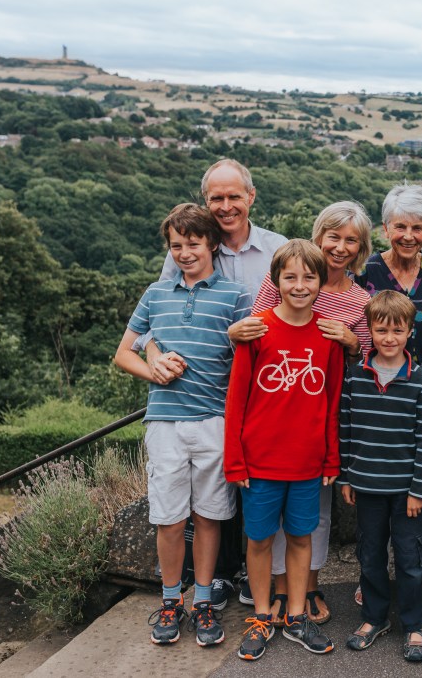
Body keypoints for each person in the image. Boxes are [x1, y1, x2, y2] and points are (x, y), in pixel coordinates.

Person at [144, 159, 287, 609]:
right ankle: (220, 577)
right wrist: (152, 357)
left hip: (265, 389)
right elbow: (157, 318)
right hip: (207, 395)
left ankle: (255, 571)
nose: (225, 206)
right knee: (217, 489)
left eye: (233, 197)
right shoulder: (188, 248)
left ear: (251, 196)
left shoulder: (277, 248)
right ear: (206, 200)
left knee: (253, 485)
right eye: (216, 198)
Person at [113, 203, 252, 647]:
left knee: (210, 516)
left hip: (215, 420)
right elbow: (123, 353)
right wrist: (151, 367)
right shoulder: (155, 294)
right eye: (176, 246)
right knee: (170, 519)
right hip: (166, 422)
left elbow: (247, 360)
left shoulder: (235, 296)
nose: (185, 253)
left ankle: (205, 602)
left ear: (212, 242)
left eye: (193, 243)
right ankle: (171, 599)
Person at [242, 201, 373, 625]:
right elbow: (255, 328)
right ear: (318, 237)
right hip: (278, 410)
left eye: (350, 240)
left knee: (313, 512)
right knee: (275, 514)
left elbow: (368, 354)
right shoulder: (286, 278)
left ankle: (308, 587)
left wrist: (351, 344)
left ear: (361, 248)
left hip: (325, 410)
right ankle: (279, 591)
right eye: (333, 236)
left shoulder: (360, 299)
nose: (340, 247)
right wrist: (233, 332)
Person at [224, 240, 344, 660]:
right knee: (257, 541)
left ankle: (295, 615)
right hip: (258, 462)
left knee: (300, 536)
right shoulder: (256, 329)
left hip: (308, 463)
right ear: (276, 281)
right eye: (290, 277)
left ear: (320, 281)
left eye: (309, 277)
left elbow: (330, 402)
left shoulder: (329, 335)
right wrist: (234, 459)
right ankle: (261, 615)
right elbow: (235, 401)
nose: (300, 285)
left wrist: (332, 457)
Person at [338, 290, 422, 662]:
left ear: (410, 331)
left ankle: (415, 625)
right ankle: (374, 617)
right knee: (371, 555)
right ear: (370, 331)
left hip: (406, 492)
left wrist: (418, 490)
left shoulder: (420, 381)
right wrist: (347, 477)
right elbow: (345, 428)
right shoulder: (355, 377)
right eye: (381, 330)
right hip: (366, 486)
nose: (389, 338)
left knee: (411, 559)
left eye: (398, 330)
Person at [356, 183, 422, 374]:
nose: (409, 236)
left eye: (417, 228)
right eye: (400, 227)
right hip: (374, 381)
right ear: (386, 229)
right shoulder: (365, 272)